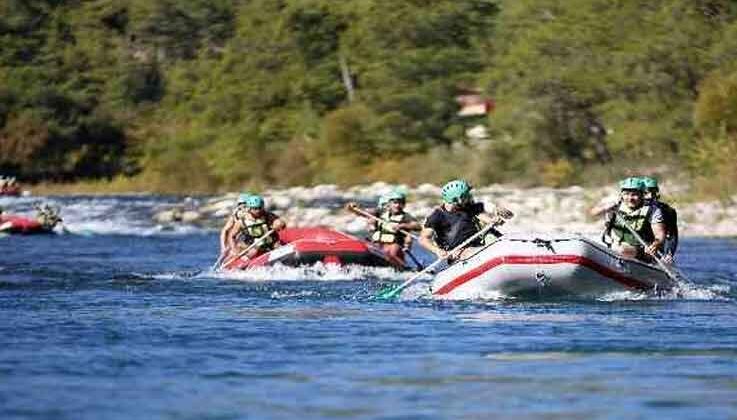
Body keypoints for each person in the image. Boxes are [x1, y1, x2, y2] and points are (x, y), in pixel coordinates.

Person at [419, 179, 513, 262]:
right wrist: (438, 251)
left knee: (492, 237)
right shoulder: (436, 216)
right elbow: (423, 239)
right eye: (466, 195)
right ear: (456, 199)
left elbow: (486, 213)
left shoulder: (468, 207)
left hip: (479, 243)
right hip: (459, 252)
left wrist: (496, 216)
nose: (469, 197)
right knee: (470, 252)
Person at [602, 177, 666, 262]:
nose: (630, 198)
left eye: (634, 194)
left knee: (621, 250)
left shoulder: (653, 210)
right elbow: (592, 213)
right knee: (615, 248)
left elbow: (660, 235)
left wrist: (655, 244)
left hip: (640, 250)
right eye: (626, 194)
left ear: (642, 195)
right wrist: (604, 208)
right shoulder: (615, 206)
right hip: (613, 245)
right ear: (621, 195)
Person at [219, 193, 286, 261]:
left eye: (260, 208)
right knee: (253, 251)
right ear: (250, 208)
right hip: (254, 245)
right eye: (255, 209)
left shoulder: (267, 215)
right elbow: (231, 235)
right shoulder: (241, 221)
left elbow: (281, 223)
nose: (258, 211)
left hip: (271, 243)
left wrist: (280, 224)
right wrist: (233, 249)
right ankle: (243, 261)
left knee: (278, 246)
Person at [366, 189, 422, 265]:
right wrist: (352, 207)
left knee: (393, 249)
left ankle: (399, 264)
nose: (397, 205)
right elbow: (365, 213)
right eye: (395, 203)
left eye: (400, 203)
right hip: (379, 246)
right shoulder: (380, 213)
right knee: (373, 246)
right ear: (390, 204)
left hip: (394, 246)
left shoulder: (405, 216)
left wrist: (402, 225)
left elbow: (418, 226)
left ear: (404, 205)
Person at [641, 176, 678, 262]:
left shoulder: (668, 211)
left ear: (657, 193)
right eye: (646, 193)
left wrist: (669, 254)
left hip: (654, 248)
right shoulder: (627, 207)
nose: (650, 196)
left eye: (653, 192)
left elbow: (672, 236)